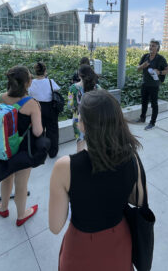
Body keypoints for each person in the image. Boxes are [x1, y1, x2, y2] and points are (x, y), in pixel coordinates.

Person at [49, 90, 146, 271]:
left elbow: (55, 226)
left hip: (81, 245)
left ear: (84, 125)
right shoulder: (130, 156)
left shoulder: (65, 167)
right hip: (119, 239)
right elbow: (138, 199)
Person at [0, 66, 42, 226]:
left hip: (3, 149)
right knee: (21, 184)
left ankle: (3, 207)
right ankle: (21, 215)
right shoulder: (32, 104)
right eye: (30, 78)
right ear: (27, 83)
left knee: (6, 178)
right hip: (23, 151)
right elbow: (38, 131)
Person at [29, 61, 60, 158]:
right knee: (52, 131)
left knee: (38, 131)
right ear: (45, 71)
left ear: (35, 71)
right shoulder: (50, 81)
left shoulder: (32, 83)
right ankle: (52, 152)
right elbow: (57, 89)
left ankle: (39, 151)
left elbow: (29, 93)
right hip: (50, 108)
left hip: (36, 108)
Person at [136, 39, 168, 130]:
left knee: (154, 104)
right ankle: (142, 118)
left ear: (158, 48)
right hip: (145, 83)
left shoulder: (161, 59)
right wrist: (142, 66)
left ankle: (152, 123)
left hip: (154, 85)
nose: (151, 47)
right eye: (150, 45)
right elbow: (138, 68)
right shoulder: (145, 56)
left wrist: (159, 72)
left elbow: (167, 70)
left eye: (153, 46)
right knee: (144, 102)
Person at [68, 64, 100, 152]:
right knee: (93, 144)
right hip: (93, 119)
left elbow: (70, 105)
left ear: (79, 75)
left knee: (80, 144)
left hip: (78, 119)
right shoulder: (97, 88)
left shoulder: (73, 88)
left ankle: (81, 164)